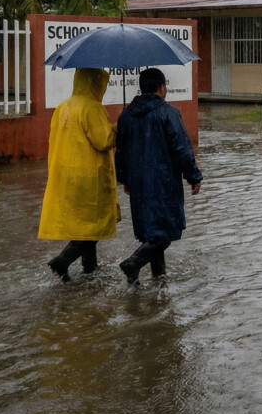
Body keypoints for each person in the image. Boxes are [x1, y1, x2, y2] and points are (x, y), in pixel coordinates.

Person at [115, 68, 203, 285]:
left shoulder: (126, 115)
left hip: (138, 183)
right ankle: (133, 263)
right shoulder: (168, 112)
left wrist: (124, 179)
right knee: (165, 231)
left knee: (150, 230)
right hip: (163, 183)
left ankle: (159, 280)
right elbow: (181, 148)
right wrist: (194, 176)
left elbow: (120, 151)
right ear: (161, 87)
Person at [39, 68, 119, 282]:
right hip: (88, 177)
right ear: (94, 83)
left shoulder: (62, 106)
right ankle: (62, 260)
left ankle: (90, 269)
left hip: (64, 174)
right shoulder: (92, 108)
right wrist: (118, 127)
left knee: (82, 226)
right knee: (94, 225)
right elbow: (104, 140)